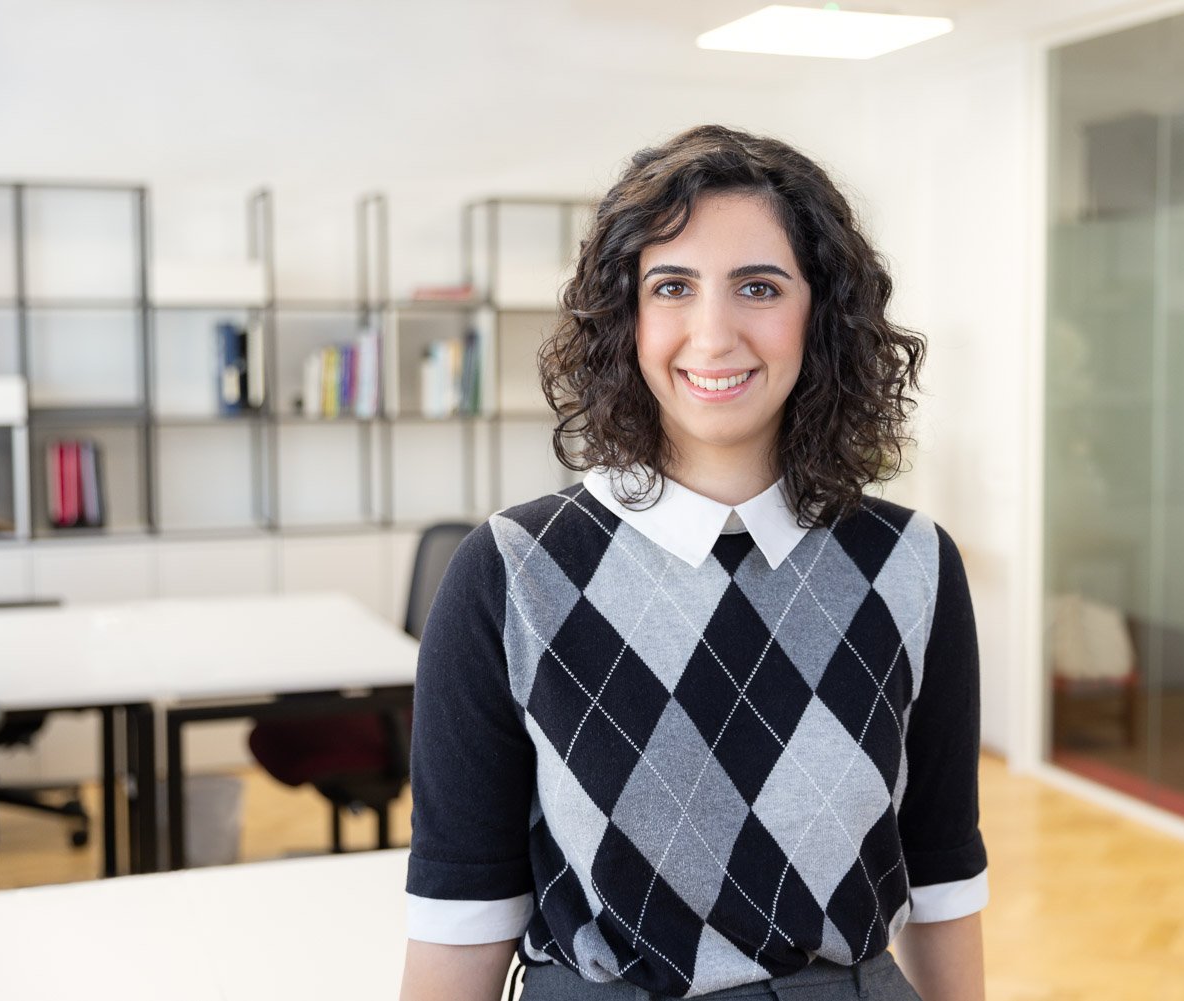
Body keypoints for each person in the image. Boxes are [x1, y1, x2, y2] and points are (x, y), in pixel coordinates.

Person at [400, 125, 987, 1001]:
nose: (713, 335)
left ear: (818, 313)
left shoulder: (912, 564)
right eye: (672, 286)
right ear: (625, 317)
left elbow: (941, 883)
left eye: (759, 286)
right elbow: (461, 920)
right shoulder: (512, 572)